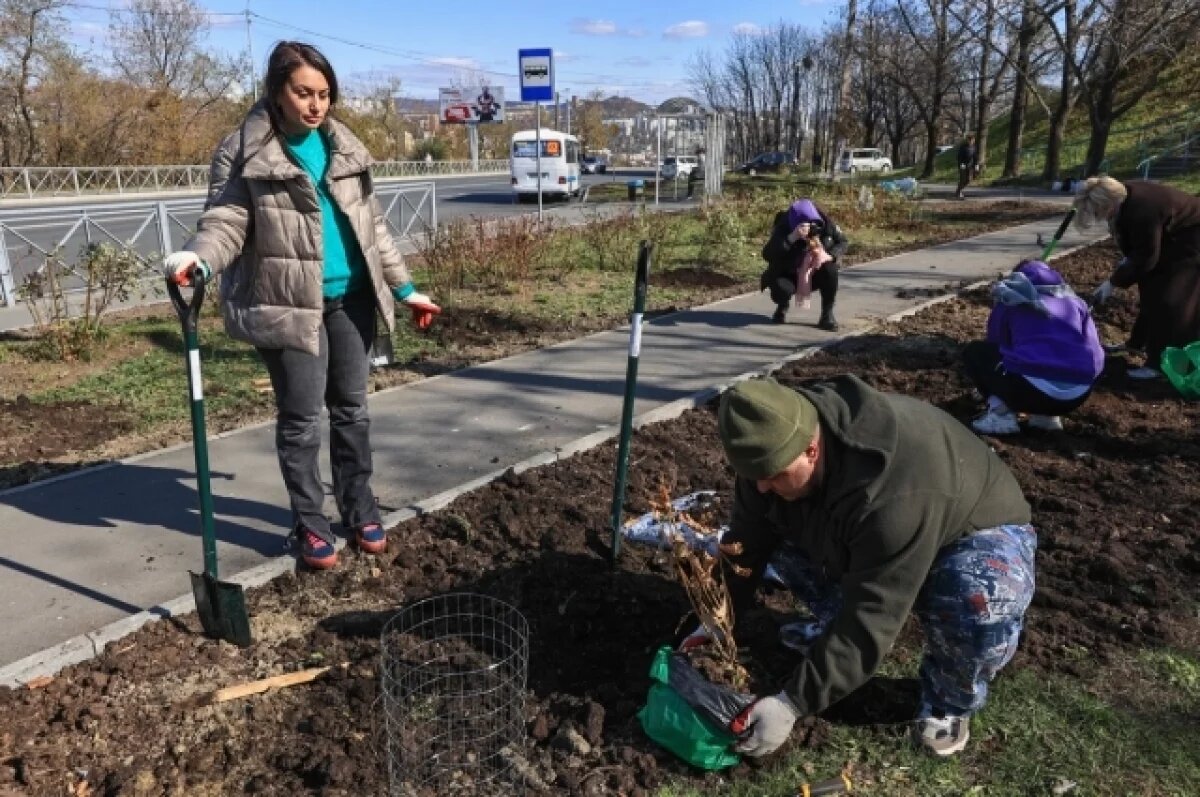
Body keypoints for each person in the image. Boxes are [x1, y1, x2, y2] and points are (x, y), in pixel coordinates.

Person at [161, 41, 441, 571]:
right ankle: (311, 524)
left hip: (352, 299)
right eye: (304, 93)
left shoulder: (344, 147)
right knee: (301, 418)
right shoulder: (244, 151)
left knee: (353, 410)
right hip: (289, 302)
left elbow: (372, 227)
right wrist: (198, 261)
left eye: (325, 94)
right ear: (277, 92)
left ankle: (360, 509)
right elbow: (226, 221)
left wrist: (406, 290)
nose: (316, 105)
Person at [706, 376, 1035, 758]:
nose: (761, 487)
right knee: (777, 536)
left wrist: (792, 703)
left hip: (970, 533)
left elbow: (873, 616)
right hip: (868, 529)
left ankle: (949, 698)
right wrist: (715, 617)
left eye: (774, 475)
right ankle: (832, 641)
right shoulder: (770, 451)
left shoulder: (892, 491)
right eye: (754, 477)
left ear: (811, 449)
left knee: (979, 600)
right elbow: (744, 547)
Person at [1076, 176, 1200, 380]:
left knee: (1170, 299)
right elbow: (1139, 249)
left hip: (1191, 238)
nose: (1098, 217)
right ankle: (1137, 344)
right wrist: (1126, 265)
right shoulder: (1124, 198)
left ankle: (1161, 365)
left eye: (1099, 212)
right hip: (1173, 234)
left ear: (1109, 204)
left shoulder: (1142, 211)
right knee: (1151, 288)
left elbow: (1146, 257)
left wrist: (1113, 282)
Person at [965, 259, 1104, 434]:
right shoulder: (1076, 304)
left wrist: (992, 386)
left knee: (976, 353)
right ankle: (1046, 418)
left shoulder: (1011, 298)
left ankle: (1001, 415)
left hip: (1029, 390)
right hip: (1075, 396)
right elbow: (1096, 355)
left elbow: (995, 343)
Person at [761, 199, 849, 330]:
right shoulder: (784, 225)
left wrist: (830, 255)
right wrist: (791, 238)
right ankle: (782, 305)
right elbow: (767, 254)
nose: (809, 227)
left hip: (814, 271)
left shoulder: (825, 223)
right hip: (788, 272)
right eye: (804, 223)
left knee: (830, 269)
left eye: (812, 223)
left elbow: (843, 242)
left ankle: (827, 314)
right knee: (781, 290)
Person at [956, 135, 977, 199]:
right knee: (963, 179)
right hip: (963, 165)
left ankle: (958, 190)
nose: (971, 142)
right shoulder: (963, 147)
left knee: (968, 180)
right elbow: (959, 157)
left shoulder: (974, 148)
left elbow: (975, 157)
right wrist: (961, 164)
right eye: (970, 140)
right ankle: (959, 192)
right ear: (967, 140)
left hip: (970, 166)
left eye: (972, 140)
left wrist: (976, 165)